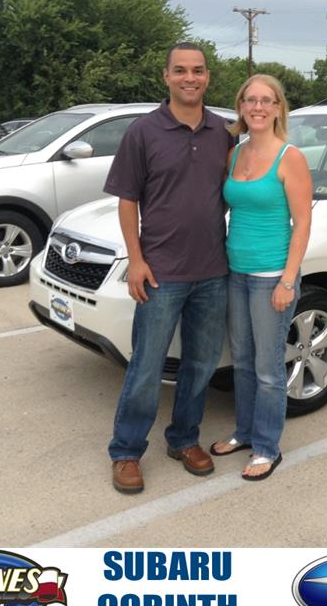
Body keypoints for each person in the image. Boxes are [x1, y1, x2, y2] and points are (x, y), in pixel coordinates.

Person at [103, 42, 235, 493]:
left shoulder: (223, 134)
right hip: (160, 273)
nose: (189, 78)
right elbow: (127, 200)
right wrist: (136, 260)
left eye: (197, 70)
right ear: (166, 77)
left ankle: (183, 439)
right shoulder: (143, 132)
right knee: (146, 366)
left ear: (207, 77)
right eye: (180, 70)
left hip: (213, 271)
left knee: (200, 364)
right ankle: (126, 451)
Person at [210, 74, 312, 480]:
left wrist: (288, 281)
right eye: (250, 99)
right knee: (242, 363)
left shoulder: (290, 157)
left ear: (278, 109)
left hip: (272, 276)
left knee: (269, 369)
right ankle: (244, 432)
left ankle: (267, 448)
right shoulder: (235, 154)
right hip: (236, 272)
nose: (257, 107)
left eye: (266, 100)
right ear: (240, 106)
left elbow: (302, 224)